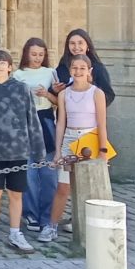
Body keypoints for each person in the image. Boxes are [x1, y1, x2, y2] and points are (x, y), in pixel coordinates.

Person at [0, 49, 44, 254]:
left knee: (15, 194)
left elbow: (32, 120)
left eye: (2, 63)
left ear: (10, 66)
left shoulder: (22, 89)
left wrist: (38, 151)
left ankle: (15, 233)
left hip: (18, 151)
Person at [40, 53, 110, 242]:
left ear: (89, 71)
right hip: (70, 138)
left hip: (90, 139)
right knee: (63, 187)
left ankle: (97, 226)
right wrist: (58, 150)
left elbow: (102, 123)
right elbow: (61, 122)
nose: (78, 71)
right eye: (75, 68)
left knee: (92, 186)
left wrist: (103, 152)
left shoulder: (97, 93)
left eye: (82, 68)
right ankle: (52, 226)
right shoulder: (64, 94)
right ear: (70, 70)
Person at [13, 38, 58, 232]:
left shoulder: (50, 73)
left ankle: (48, 215)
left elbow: (59, 101)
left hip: (45, 120)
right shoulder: (17, 74)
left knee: (48, 173)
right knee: (29, 172)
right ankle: (30, 214)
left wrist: (47, 95)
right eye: (34, 54)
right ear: (26, 54)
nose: (37, 58)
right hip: (25, 122)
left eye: (41, 54)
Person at [54, 28, 116, 106]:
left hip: (89, 115)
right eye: (72, 43)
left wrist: (91, 84)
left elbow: (109, 95)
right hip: (67, 115)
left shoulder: (98, 68)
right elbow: (55, 96)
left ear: (87, 45)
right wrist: (55, 90)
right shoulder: (62, 68)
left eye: (80, 43)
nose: (76, 47)